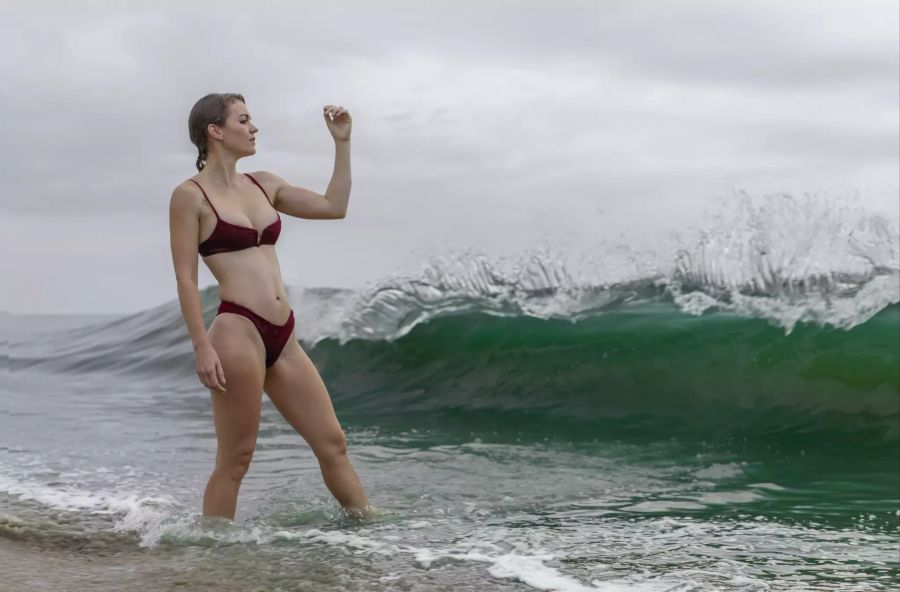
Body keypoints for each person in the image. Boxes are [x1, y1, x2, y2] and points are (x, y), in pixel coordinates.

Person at [168, 92, 371, 521]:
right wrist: (201, 346)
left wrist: (342, 143)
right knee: (236, 459)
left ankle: (368, 534)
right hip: (237, 332)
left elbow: (334, 207)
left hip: (284, 334)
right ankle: (211, 559)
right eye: (244, 120)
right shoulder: (190, 197)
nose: (254, 127)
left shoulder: (264, 183)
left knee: (332, 442)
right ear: (215, 131)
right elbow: (186, 277)